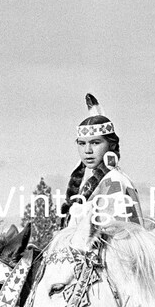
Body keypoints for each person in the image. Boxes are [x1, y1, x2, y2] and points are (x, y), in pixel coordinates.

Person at [59, 94, 142, 228]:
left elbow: (122, 233)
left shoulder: (114, 180)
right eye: (82, 143)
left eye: (95, 143)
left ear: (112, 145)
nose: (87, 150)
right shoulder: (91, 183)